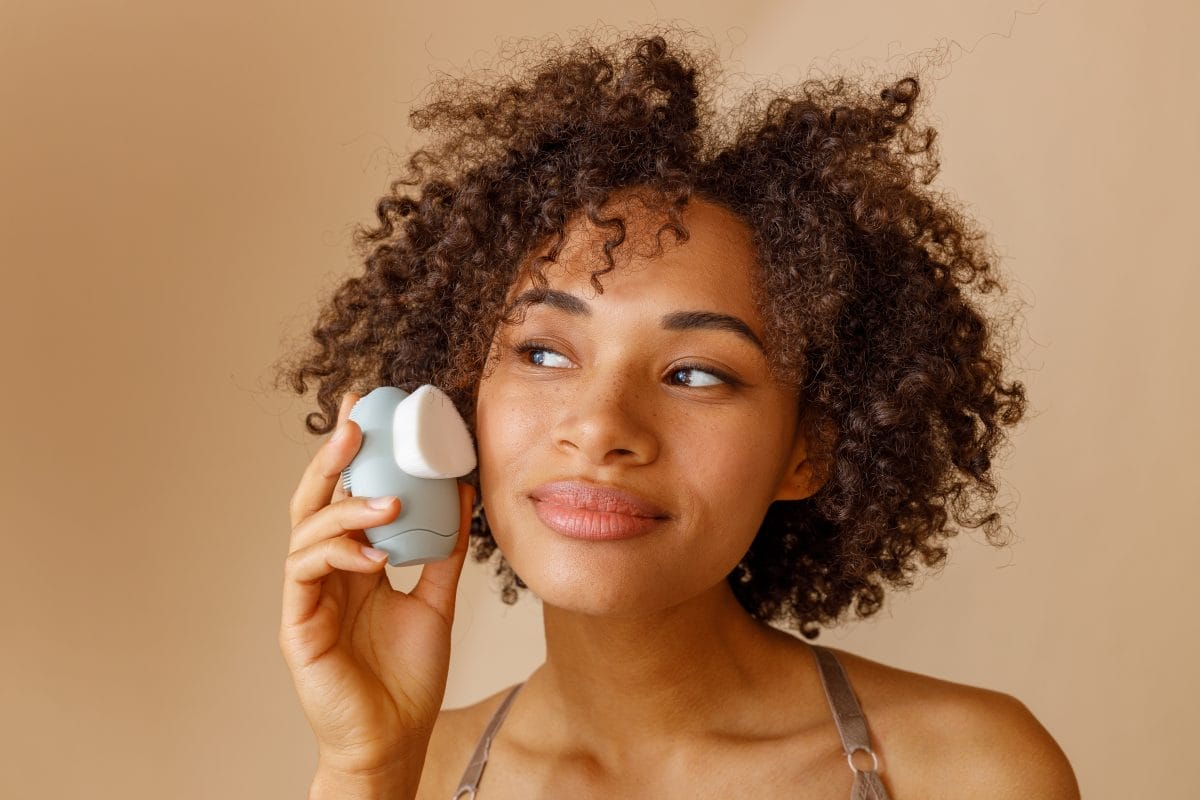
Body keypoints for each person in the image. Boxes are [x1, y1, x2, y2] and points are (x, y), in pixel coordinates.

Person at [273, 26, 1080, 799]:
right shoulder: (403, 766)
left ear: (812, 450)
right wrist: (367, 773)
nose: (599, 427)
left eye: (695, 373)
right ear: (456, 404)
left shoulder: (973, 773)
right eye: (544, 354)